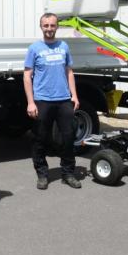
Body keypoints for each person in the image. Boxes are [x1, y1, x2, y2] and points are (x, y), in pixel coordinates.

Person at [23, 12, 82, 190]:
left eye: (52, 25)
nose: (49, 29)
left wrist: (74, 95)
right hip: (42, 100)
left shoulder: (63, 46)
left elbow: (69, 72)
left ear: (57, 27)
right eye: (46, 25)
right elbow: (27, 76)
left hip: (64, 99)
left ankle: (68, 174)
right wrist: (31, 102)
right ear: (41, 27)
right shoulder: (34, 48)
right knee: (40, 139)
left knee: (68, 137)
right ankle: (42, 174)